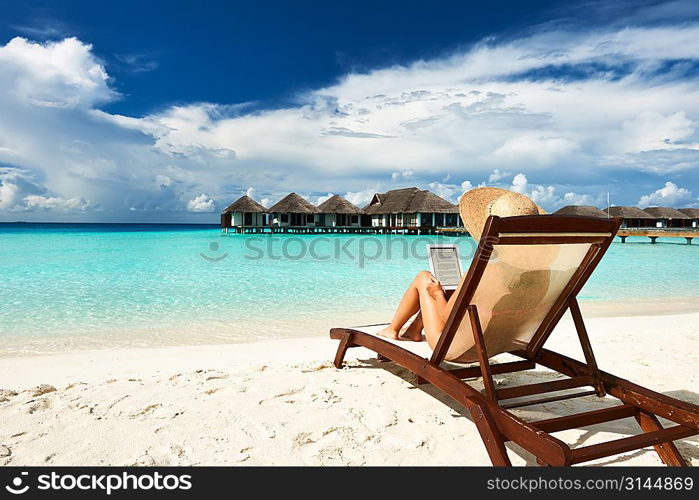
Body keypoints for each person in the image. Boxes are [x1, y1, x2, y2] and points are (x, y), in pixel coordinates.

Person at [378, 187, 546, 348]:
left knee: (424, 278)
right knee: (454, 289)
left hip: (457, 346)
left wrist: (437, 293)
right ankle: (414, 330)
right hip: (498, 341)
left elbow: (445, 316)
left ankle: (392, 329)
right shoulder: (542, 276)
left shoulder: (486, 273)